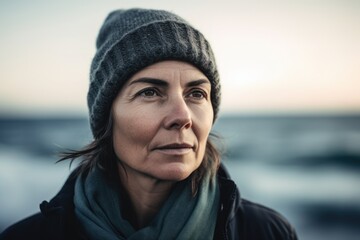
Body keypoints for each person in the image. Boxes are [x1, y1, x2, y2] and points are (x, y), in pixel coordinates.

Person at [0, 8, 298, 240]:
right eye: (150, 92)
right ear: (107, 117)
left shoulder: (267, 232)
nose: (182, 116)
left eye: (196, 93)